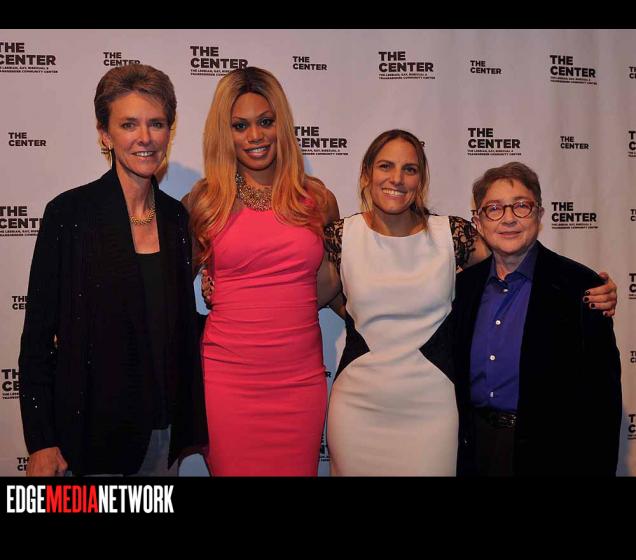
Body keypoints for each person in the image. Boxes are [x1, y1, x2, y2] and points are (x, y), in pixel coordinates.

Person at [319, 130, 618, 476]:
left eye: (410, 169)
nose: (397, 178)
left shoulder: (452, 235)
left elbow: (515, 252)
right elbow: (305, 297)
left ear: (421, 179)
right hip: (357, 409)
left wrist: (588, 286)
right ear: (366, 173)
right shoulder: (342, 236)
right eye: (386, 166)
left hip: (433, 412)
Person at [19, 64, 207, 476]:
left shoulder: (176, 218)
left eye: (156, 123)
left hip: (161, 433)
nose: (145, 137)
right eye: (128, 124)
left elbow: (170, 322)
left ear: (169, 131)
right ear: (105, 134)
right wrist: (42, 440)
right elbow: (37, 338)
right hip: (88, 435)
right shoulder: (69, 214)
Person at [186, 66, 339, 476]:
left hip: (300, 383)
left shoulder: (317, 198)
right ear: (225, 134)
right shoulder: (205, 202)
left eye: (266, 122)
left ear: (281, 125)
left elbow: (335, 284)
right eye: (240, 126)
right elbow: (164, 286)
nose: (255, 136)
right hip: (228, 382)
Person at [452, 162, 622, 476]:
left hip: (552, 454)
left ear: (539, 215)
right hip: (473, 449)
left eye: (521, 206)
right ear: (478, 222)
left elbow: (603, 401)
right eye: (494, 209)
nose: (508, 218)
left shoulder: (581, 287)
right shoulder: (463, 288)